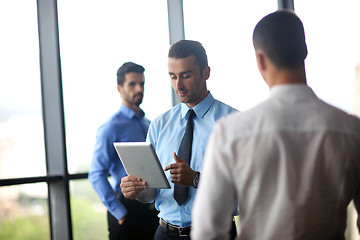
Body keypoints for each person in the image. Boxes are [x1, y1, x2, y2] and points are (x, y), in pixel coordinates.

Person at [191, 9, 360, 240]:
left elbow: (207, 231)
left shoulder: (231, 132)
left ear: (260, 59)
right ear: (305, 51)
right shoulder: (351, 130)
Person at [120, 40, 238, 240]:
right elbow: (152, 194)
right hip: (165, 233)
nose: (178, 85)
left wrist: (195, 179)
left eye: (186, 76)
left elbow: (244, 192)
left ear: (206, 73)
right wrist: (138, 191)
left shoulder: (233, 123)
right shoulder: (159, 125)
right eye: (173, 77)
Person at [88, 62, 159, 240]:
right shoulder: (111, 127)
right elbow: (96, 174)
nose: (139, 89)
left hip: (152, 210)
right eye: (132, 84)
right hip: (126, 211)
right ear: (119, 88)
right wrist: (120, 213)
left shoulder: (149, 124)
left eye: (141, 84)